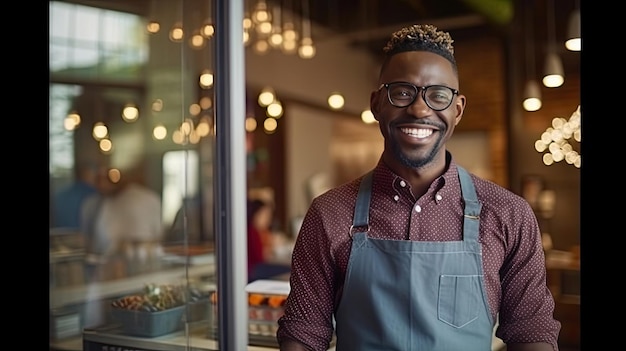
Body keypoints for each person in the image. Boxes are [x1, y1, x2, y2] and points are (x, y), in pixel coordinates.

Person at [276, 24, 561, 351]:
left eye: (438, 95)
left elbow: (532, 334)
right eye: (402, 92)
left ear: (458, 110)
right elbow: (302, 334)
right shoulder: (329, 214)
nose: (420, 109)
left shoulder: (509, 214)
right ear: (376, 104)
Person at [52, 161, 99, 229]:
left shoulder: (59, 194)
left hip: (59, 235)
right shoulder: (93, 194)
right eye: (95, 174)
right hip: (83, 236)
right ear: (85, 173)